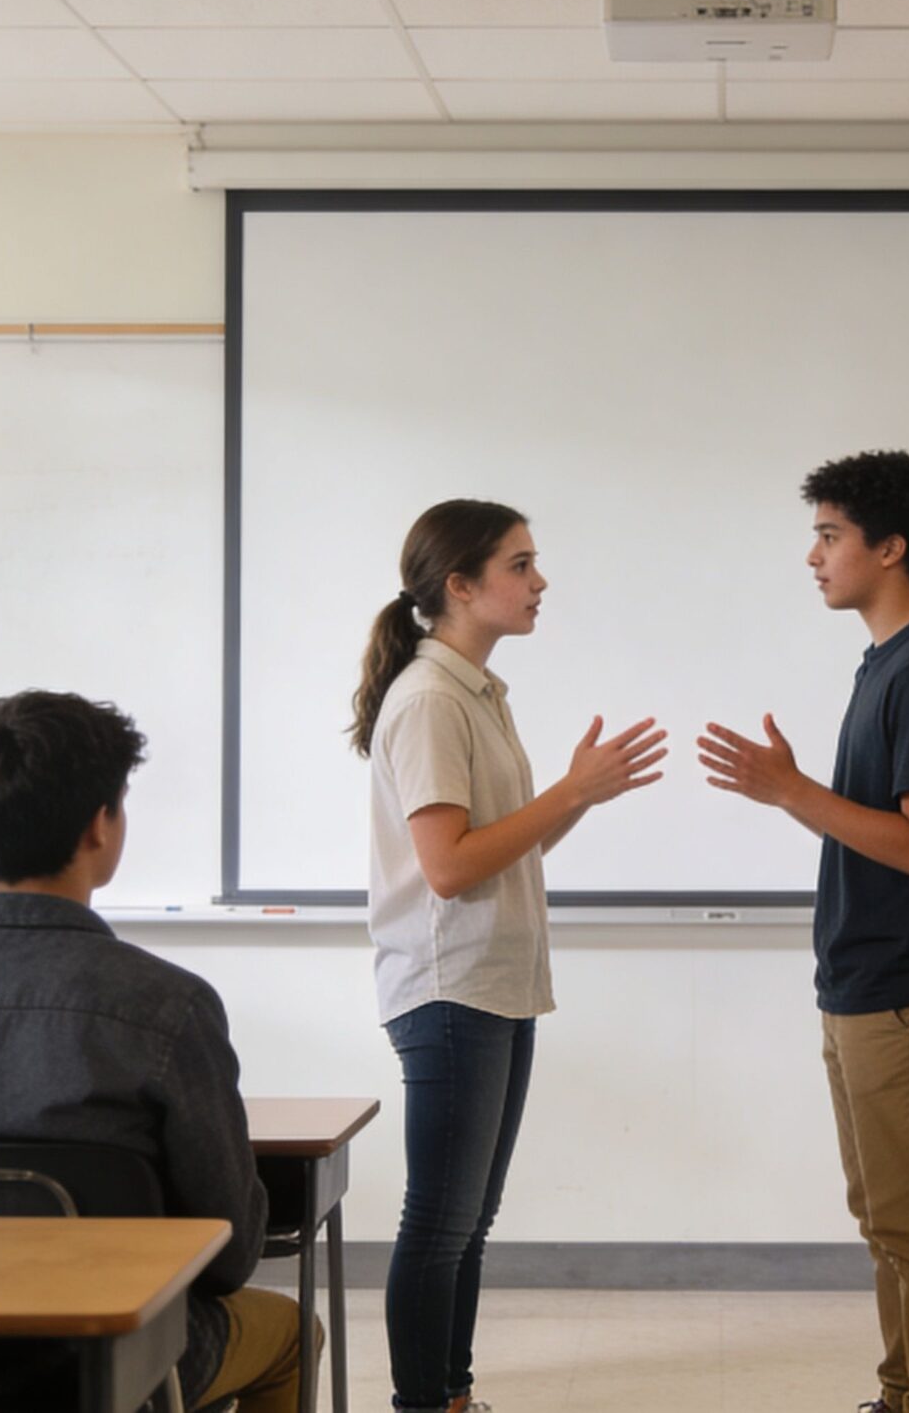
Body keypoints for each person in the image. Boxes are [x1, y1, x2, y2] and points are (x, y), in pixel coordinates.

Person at [0, 690, 299, 1413]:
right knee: (293, 1332)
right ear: (99, 827)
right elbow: (230, 1255)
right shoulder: (168, 1006)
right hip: (116, 1361)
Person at [699, 450, 909, 1413]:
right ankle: (901, 1393)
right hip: (864, 983)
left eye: (830, 536)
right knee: (886, 1220)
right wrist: (799, 797)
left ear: (891, 548)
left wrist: (791, 791)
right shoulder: (887, 663)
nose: (814, 556)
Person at [352, 500, 664, 1413]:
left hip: (496, 985)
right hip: (451, 991)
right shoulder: (429, 700)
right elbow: (448, 869)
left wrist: (575, 800)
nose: (539, 582)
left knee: (468, 1223)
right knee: (440, 1222)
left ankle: (453, 1395)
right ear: (460, 586)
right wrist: (569, 788)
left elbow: (498, 850)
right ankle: (424, 1405)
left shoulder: (476, 694)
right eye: (520, 565)